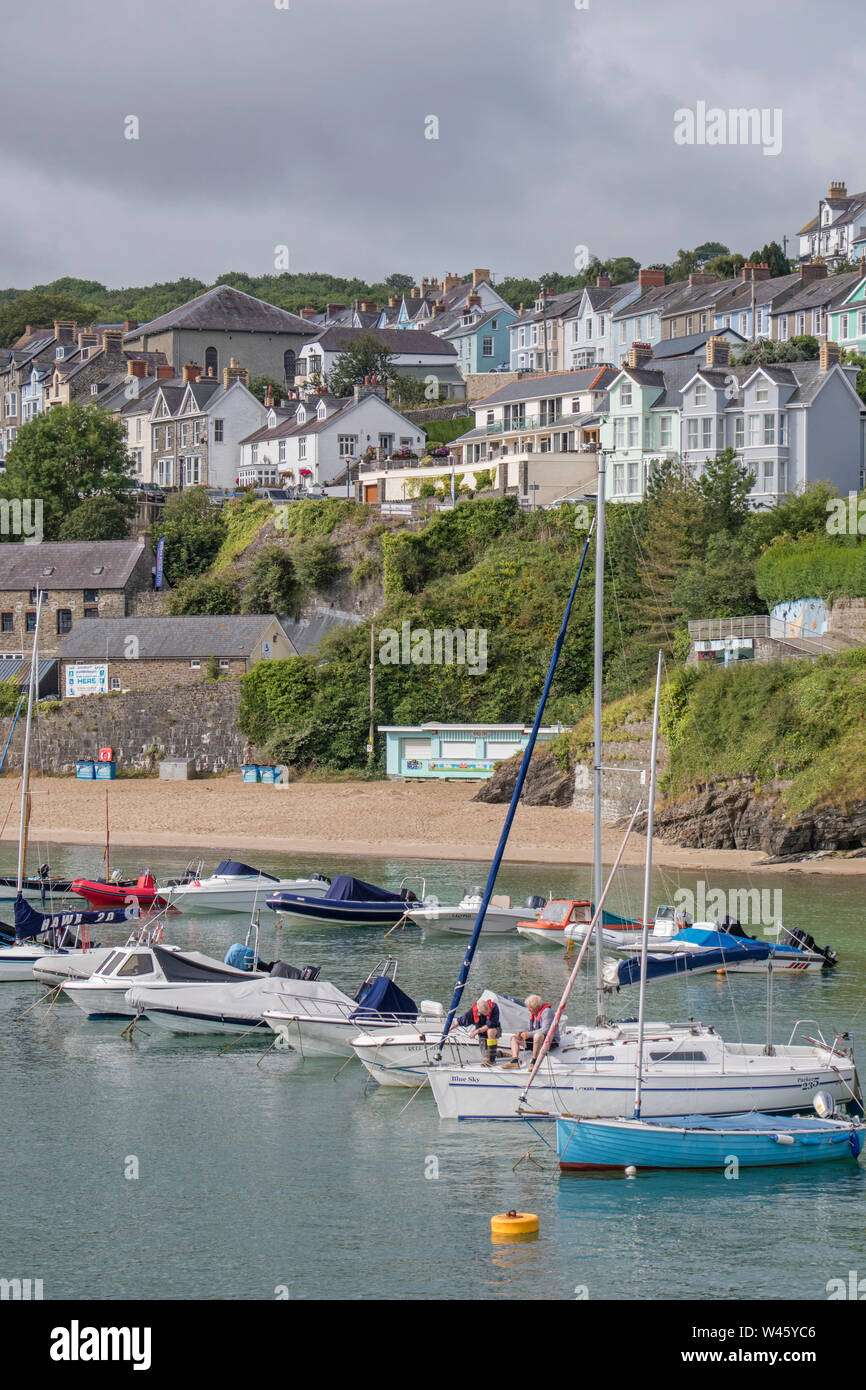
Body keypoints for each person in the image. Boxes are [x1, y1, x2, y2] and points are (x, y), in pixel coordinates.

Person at [502, 994, 559, 1068]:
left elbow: (546, 1030)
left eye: (530, 1007)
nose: (528, 1009)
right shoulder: (533, 1014)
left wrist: (529, 1034)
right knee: (514, 1038)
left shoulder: (547, 1012)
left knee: (537, 1036)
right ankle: (515, 1060)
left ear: (537, 1007)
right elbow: (529, 1029)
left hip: (550, 1042)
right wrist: (522, 1032)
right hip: (535, 1040)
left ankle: (534, 1061)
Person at [454, 996, 501, 1065]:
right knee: (485, 1057)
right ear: (480, 1012)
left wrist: (476, 1032)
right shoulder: (474, 1011)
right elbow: (461, 1020)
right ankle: (500, 1054)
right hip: (482, 1035)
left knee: (490, 1031)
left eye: (488, 1011)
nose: (487, 1014)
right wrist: (448, 1028)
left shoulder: (494, 1007)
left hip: (495, 1031)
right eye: (485, 1013)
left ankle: (492, 1060)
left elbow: (490, 1025)